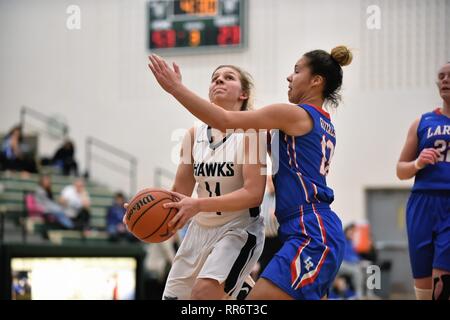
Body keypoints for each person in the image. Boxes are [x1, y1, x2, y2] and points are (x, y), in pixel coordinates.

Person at [148, 45, 353, 299]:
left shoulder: (293, 114)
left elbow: (225, 121)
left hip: (311, 230)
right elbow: (230, 125)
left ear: (316, 81)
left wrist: (175, 88)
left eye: (297, 71)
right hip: (301, 228)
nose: (289, 77)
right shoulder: (316, 121)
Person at [148, 65, 266, 300]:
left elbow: (254, 194)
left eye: (228, 78)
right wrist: (144, 210)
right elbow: (179, 192)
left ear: (243, 94)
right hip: (198, 231)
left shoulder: (253, 132)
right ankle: (240, 291)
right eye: (214, 79)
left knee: (202, 295)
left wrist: (199, 204)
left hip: (238, 228)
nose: (219, 81)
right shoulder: (193, 134)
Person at [396, 62, 450, 300]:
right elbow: (400, 170)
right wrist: (418, 163)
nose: (446, 80)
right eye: (441, 76)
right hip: (421, 203)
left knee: (441, 284)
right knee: (423, 288)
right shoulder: (422, 122)